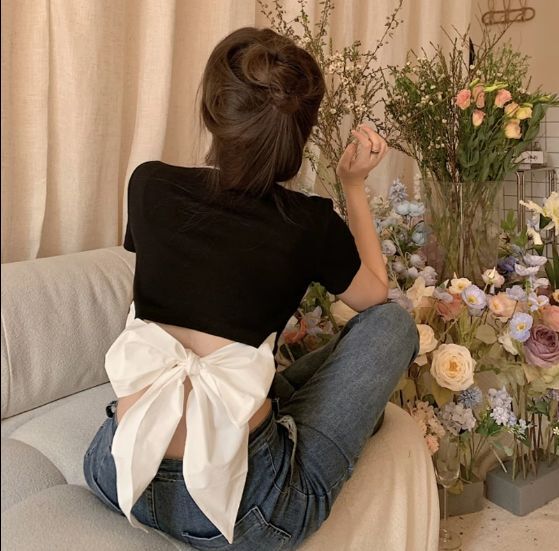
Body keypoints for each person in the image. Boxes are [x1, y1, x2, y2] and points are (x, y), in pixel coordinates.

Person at [83, 26, 419, 550]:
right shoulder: (308, 223)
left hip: (115, 470)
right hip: (245, 515)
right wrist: (354, 185)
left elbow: (182, 298)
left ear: (212, 111)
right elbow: (377, 299)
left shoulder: (148, 184)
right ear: (298, 136)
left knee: (251, 369)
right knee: (394, 323)